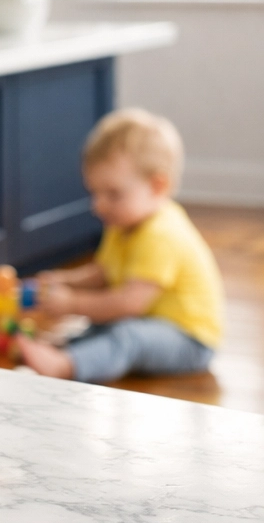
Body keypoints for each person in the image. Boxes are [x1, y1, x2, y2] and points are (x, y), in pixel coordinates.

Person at [17, 108, 223, 383]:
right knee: (102, 324)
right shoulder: (122, 223)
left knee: (128, 336)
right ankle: (71, 350)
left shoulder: (162, 235)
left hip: (189, 339)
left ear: (157, 186)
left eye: (113, 194)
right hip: (149, 321)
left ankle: (66, 365)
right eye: (95, 193)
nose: (99, 205)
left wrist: (72, 302)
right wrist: (64, 280)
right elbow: (103, 272)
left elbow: (129, 303)